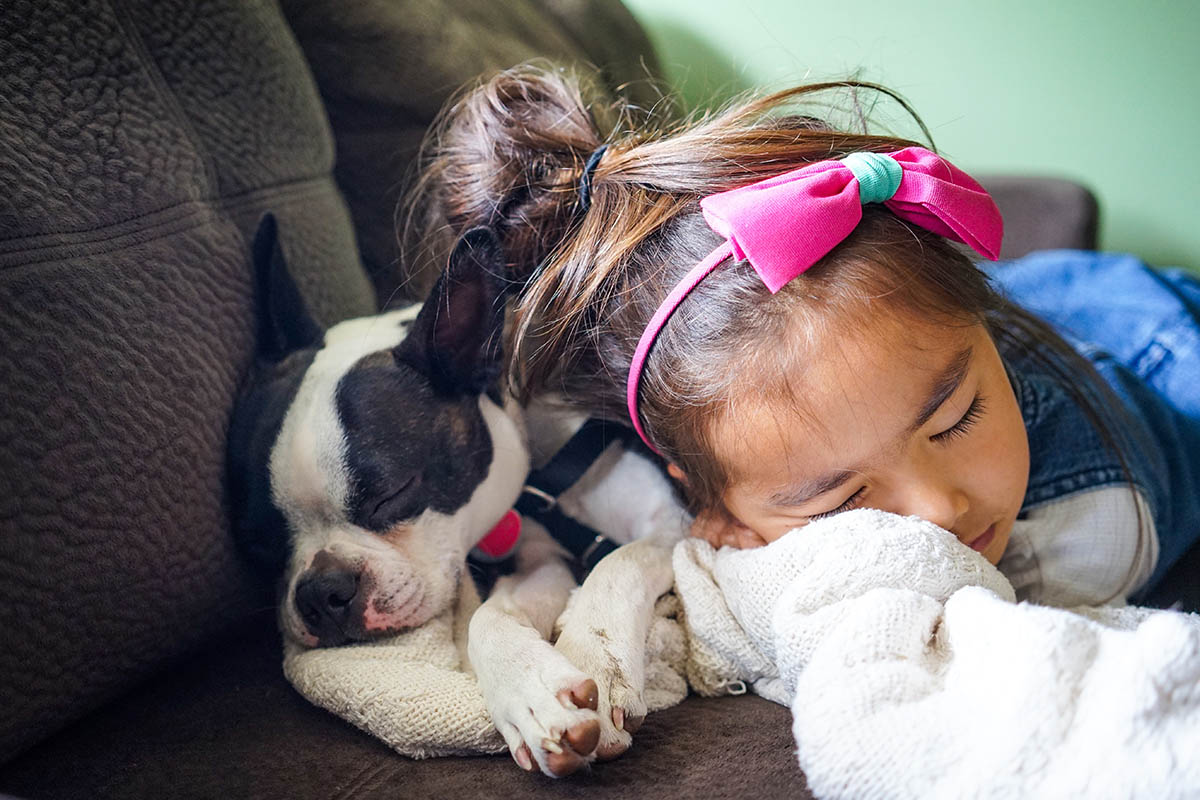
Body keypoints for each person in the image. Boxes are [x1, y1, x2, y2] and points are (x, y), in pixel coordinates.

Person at [405, 63, 1200, 608]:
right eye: (842, 500)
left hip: (1150, 335)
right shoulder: (709, 418)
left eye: (956, 417)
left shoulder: (1097, 528)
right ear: (710, 504)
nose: (940, 509)